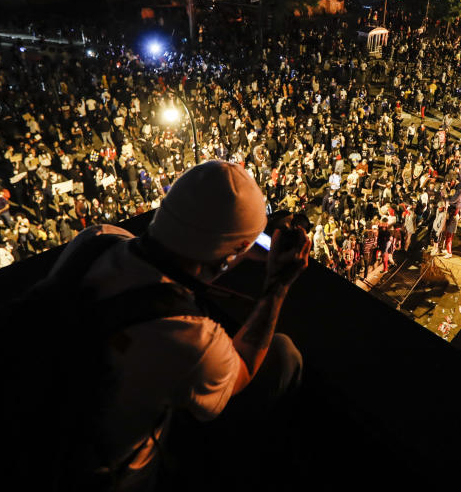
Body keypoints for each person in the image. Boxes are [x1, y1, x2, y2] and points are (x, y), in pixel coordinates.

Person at [34, 160, 310, 489]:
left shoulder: (96, 240)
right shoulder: (188, 336)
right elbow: (243, 369)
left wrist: (231, 253)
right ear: (232, 250)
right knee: (283, 354)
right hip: (115, 476)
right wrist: (278, 286)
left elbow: (167, 259)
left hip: (41, 422)